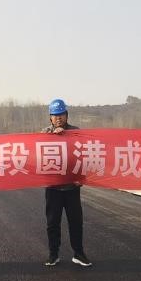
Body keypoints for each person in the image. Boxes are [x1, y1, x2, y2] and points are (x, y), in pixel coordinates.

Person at [42, 99, 92, 267]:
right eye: (55, 115)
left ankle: (79, 253)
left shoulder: (76, 133)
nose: (58, 118)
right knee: (52, 223)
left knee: (76, 222)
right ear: (50, 117)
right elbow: (38, 156)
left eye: (61, 114)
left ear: (66, 115)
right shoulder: (44, 134)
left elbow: (83, 156)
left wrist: (81, 178)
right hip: (53, 188)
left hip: (71, 187)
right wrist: (53, 135)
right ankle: (53, 254)